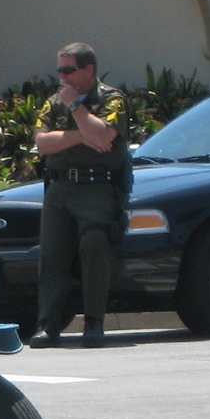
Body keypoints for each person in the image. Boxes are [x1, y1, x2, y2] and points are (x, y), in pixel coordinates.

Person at [30, 43, 130, 350]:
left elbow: (102, 137)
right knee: (52, 256)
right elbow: (43, 143)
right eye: (59, 69)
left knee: (94, 246)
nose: (62, 76)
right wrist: (82, 134)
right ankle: (49, 326)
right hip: (60, 188)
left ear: (89, 70)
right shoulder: (53, 102)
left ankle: (94, 322)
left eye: (68, 70)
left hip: (96, 187)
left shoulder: (112, 99)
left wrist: (77, 108)